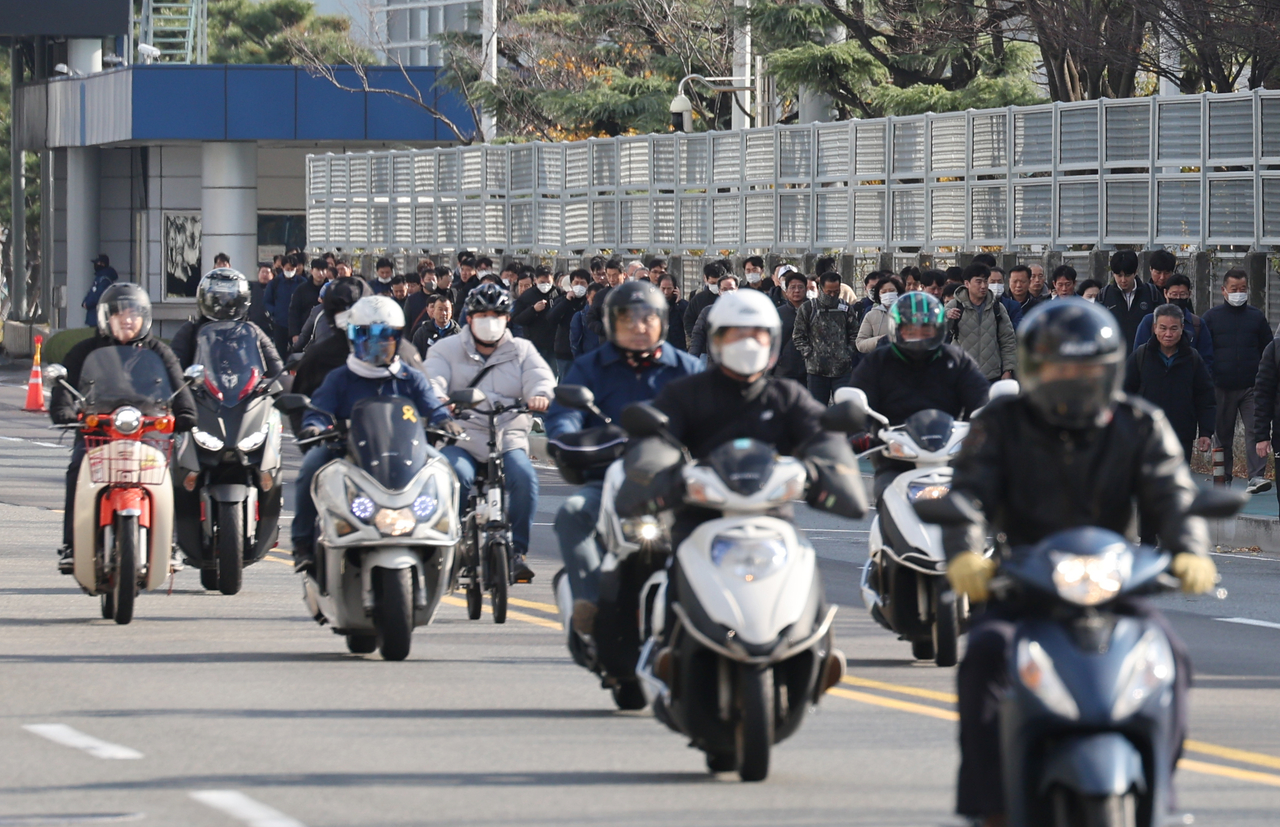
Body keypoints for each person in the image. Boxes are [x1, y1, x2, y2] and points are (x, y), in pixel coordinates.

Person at [944, 298, 1218, 826]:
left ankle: (1162, 797)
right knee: (983, 654)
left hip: (1114, 586)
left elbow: (1173, 493)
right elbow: (969, 495)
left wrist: (1191, 550)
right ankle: (987, 807)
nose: (1072, 379)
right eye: (1059, 366)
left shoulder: (1140, 423)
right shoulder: (1001, 422)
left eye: (1085, 368)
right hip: (1020, 584)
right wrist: (965, 555)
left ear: (1109, 369)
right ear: (1033, 368)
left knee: (1173, 658)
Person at [645, 289, 868, 550]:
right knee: (658, 574)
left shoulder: (788, 397)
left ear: (771, 341)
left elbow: (822, 440)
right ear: (715, 339)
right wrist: (653, 474)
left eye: (756, 335)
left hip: (774, 529)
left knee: (806, 580)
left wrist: (826, 472)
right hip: (699, 525)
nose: (747, 344)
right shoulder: (685, 392)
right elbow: (655, 445)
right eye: (735, 334)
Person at [546, 281, 702, 629]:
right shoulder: (590, 367)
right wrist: (566, 437)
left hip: (674, 482)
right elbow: (564, 413)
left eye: (647, 318)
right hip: (608, 479)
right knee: (572, 514)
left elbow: (718, 415)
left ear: (662, 321)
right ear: (611, 323)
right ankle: (590, 602)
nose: (638, 326)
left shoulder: (688, 369)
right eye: (627, 319)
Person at [292, 296, 460, 570]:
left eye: (384, 336)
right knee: (311, 466)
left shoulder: (410, 377)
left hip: (406, 455)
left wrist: (444, 421)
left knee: (445, 469)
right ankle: (302, 545)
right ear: (352, 338)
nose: (376, 344)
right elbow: (318, 409)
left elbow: (432, 405)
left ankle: (449, 539)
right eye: (365, 335)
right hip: (347, 453)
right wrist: (315, 426)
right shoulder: (341, 377)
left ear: (397, 338)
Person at [52, 283, 198, 571]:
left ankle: (169, 543)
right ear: (107, 317)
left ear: (144, 317)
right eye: (120, 314)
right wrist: (64, 409)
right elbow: (65, 385)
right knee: (76, 469)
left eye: (133, 314)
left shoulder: (159, 351)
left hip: (147, 427)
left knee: (169, 474)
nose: (127, 320)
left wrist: (186, 411)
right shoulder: (85, 350)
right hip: (98, 429)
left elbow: (178, 384)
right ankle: (72, 544)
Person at [425, 284, 554, 583]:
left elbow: (541, 378)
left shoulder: (522, 350)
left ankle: (517, 552)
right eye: (482, 314)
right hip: (463, 436)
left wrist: (540, 396)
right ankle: (452, 542)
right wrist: (441, 400)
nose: (490, 320)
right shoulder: (446, 349)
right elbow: (432, 378)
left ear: (508, 318)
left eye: (497, 314)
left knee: (525, 479)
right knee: (454, 477)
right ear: (469, 319)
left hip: (508, 436)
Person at [849, 292, 989, 497]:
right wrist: (860, 432)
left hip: (949, 457)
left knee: (978, 503)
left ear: (938, 329)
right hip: (894, 460)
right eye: (910, 329)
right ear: (896, 329)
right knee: (886, 496)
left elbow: (980, 398)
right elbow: (857, 403)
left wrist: (984, 427)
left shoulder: (955, 359)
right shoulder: (877, 361)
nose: (918, 336)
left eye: (926, 329)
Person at [1202, 268, 1274, 493]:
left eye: (1243, 289)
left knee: (1256, 430)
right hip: (1220, 386)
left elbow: (1268, 349)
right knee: (1222, 435)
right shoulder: (1211, 318)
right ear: (1224, 291)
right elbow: (1205, 351)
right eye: (1234, 289)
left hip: (1251, 386)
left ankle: (1256, 477)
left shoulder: (1257, 317)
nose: (1239, 293)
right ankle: (1223, 477)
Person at [1124, 304, 1215, 462]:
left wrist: (1206, 432)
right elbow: (1125, 395)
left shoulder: (1193, 359)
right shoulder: (1141, 356)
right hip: (1145, 434)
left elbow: (1205, 397)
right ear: (1154, 328)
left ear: (1182, 328)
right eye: (1163, 328)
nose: (1168, 334)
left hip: (1181, 434)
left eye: (1174, 329)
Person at [169, 268, 283, 378]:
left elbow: (276, 370)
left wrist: (282, 382)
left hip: (246, 393)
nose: (223, 306)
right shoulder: (191, 330)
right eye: (217, 300)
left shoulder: (252, 331)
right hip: (201, 393)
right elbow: (173, 369)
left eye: (230, 301)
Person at [291, 278, 374, 399]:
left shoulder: (395, 351)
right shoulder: (317, 357)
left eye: (355, 308)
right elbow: (298, 405)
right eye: (339, 310)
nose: (348, 315)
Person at [796, 270, 862, 403]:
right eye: (829, 292)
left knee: (844, 409)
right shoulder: (808, 308)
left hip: (843, 370)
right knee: (817, 409)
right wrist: (809, 354)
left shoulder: (846, 308)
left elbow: (855, 333)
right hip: (817, 370)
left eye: (835, 292)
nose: (832, 295)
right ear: (820, 289)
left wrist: (848, 353)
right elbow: (798, 335)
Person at [944, 264, 1017, 382]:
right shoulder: (955, 305)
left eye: (985, 282)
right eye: (978, 282)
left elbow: (1008, 340)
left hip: (991, 376)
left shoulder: (997, 307)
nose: (983, 286)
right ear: (967, 283)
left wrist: (1008, 370)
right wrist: (946, 317)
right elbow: (938, 332)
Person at [1133, 274, 1213, 374]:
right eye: (1174, 294)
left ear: (1189, 294)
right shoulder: (1149, 321)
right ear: (1165, 293)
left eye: (1183, 294)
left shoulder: (1197, 324)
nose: (1178, 298)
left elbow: (1206, 360)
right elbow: (1138, 355)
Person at [1099, 250, 1159, 358]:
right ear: (1113, 273)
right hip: (1114, 357)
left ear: (1135, 272)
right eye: (1119, 275)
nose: (1123, 280)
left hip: (1145, 358)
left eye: (1127, 275)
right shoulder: (1104, 296)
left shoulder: (1151, 294)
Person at [512, 267, 562, 373]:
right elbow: (517, 319)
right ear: (536, 280)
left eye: (548, 282)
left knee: (553, 375)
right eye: (542, 282)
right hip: (535, 344)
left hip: (554, 344)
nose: (545, 285)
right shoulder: (527, 296)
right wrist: (533, 310)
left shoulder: (558, 294)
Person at [547, 269, 592, 374]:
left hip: (585, 351)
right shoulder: (562, 300)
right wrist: (567, 301)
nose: (579, 286)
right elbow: (551, 318)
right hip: (564, 351)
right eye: (576, 283)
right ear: (571, 284)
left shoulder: (589, 301)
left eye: (582, 283)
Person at [687, 274, 739, 358]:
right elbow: (697, 336)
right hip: (715, 362)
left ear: (737, 290)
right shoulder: (708, 312)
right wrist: (692, 359)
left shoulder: (744, 312)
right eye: (724, 289)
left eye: (731, 289)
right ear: (719, 292)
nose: (728, 292)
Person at [264, 254, 305, 356]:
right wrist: (275, 312)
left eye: (292, 269)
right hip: (280, 324)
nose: (290, 271)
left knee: (298, 353)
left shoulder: (302, 283)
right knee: (279, 353)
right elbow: (267, 301)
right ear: (282, 267)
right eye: (287, 268)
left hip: (298, 325)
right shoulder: (274, 283)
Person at [773, 271, 810, 384]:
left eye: (800, 287)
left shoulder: (814, 311)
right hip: (784, 371)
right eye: (792, 287)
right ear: (786, 290)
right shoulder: (777, 313)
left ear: (806, 289)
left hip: (810, 371)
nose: (797, 291)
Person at [856, 274, 903, 353]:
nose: (888, 294)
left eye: (891, 291)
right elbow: (860, 344)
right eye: (883, 292)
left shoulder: (908, 313)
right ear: (879, 295)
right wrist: (880, 340)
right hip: (881, 361)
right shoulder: (871, 315)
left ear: (898, 292)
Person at [683, 262, 726, 347]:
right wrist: (697, 339)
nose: (716, 287)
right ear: (705, 279)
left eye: (718, 283)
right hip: (703, 348)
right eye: (712, 283)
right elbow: (688, 320)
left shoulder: (730, 297)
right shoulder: (698, 298)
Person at [287, 258, 328, 348]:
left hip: (325, 332)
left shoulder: (331, 289)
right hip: (304, 333)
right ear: (312, 271)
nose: (320, 273)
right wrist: (295, 334)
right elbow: (294, 312)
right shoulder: (302, 289)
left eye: (323, 270)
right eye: (317, 270)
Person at [81, 254, 119, 327]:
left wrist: (88, 303)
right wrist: (85, 302)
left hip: (97, 316)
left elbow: (99, 296)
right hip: (93, 316)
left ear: (102, 264)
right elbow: (91, 292)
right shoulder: (99, 278)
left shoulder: (104, 280)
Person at [570, 282, 605, 357]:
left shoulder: (608, 316)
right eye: (593, 299)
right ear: (587, 297)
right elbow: (575, 343)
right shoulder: (579, 316)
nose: (597, 303)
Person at [657, 273, 688, 351]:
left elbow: (687, 321)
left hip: (678, 347)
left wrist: (678, 303)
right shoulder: (654, 304)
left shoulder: (682, 305)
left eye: (669, 288)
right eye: (663, 288)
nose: (666, 292)